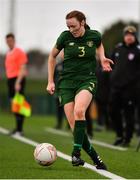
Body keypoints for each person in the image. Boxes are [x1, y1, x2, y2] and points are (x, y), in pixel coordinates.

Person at [47, 10, 113, 169]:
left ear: (82, 23)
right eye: (68, 26)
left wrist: (102, 57)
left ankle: (75, 153)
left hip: (87, 80)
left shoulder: (94, 35)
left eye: (74, 26)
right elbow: (51, 57)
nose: (71, 30)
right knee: (75, 128)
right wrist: (50, 81)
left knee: (79, 111)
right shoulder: (64, 37)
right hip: (66, 83)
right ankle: (96, 158)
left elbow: (99, 44)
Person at [110, 26, 140, 147]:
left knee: (129, 114)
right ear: (124, 36)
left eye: (131, 35)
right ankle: (119, 135)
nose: (129, 37)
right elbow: (110, 63)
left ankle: (127, 138)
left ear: (134, 36)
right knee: (112, 111)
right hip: (116, 87)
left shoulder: (138, 50)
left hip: (131, 88)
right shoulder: (118, 48)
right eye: (127, 35)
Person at [5, 33, 28, 136]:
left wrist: (18, 82)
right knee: (14, 105)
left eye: (10, 40)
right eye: (7, 41)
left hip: (17, 80)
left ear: (14, 40)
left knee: (19, 105)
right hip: (10, 80)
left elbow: (23, 68)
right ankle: (17, 128)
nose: (9, 43)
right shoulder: (8, 53)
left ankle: (20, 130)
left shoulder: (19, 52)